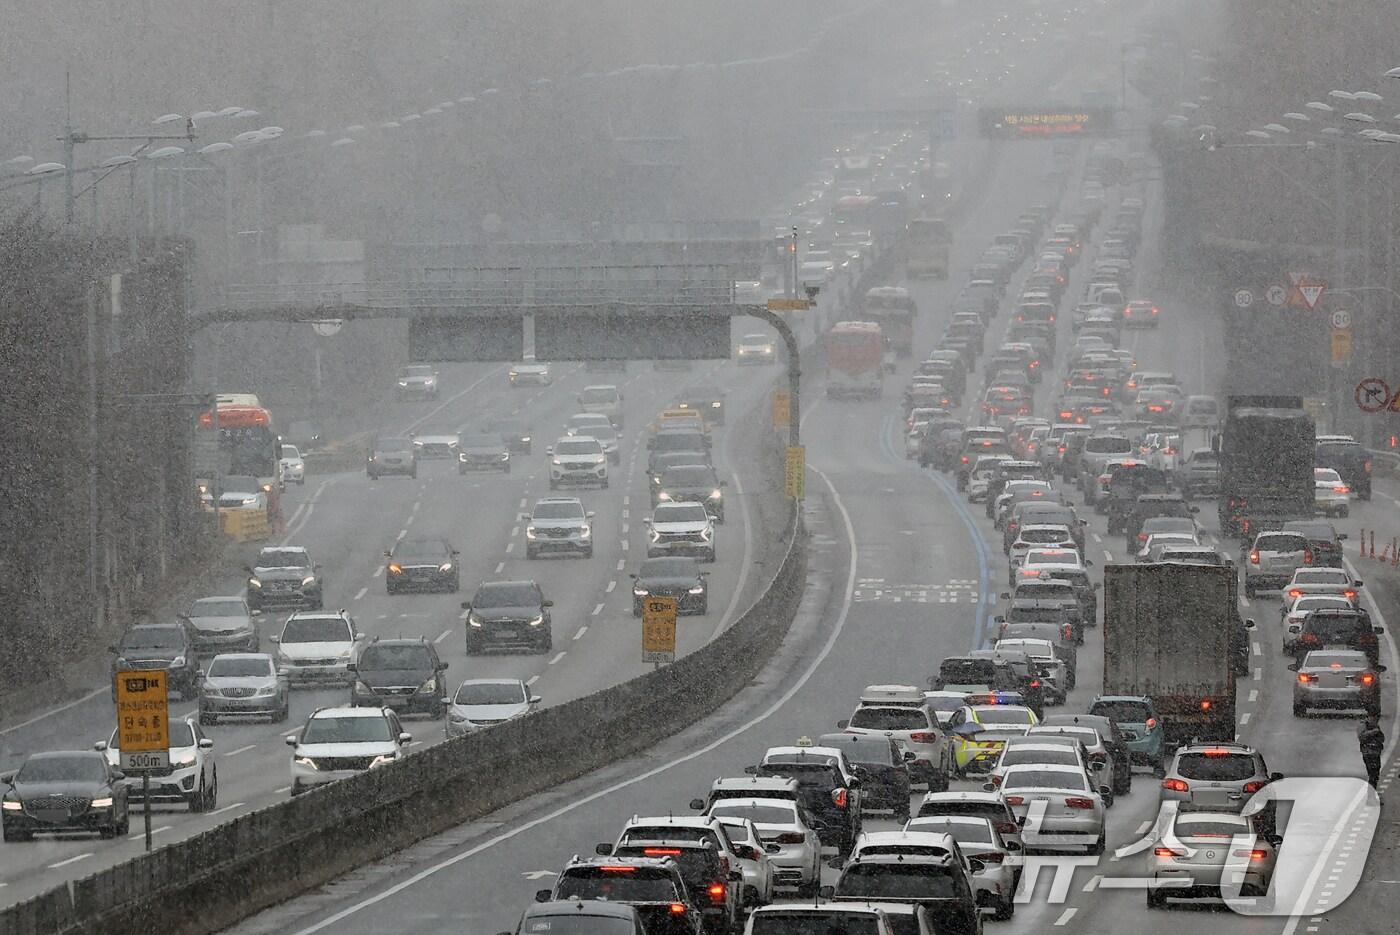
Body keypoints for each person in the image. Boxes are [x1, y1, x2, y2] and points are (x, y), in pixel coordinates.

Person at [1358, 715, 1385, 789]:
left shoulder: (1376, 727)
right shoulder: (1363, 725)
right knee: (1372, 773)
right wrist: (1372, 732)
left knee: (1376, 773)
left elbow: (1382, 739)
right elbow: (1361, 737)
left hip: (1376, 753)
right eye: (1373, 717)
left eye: (1376, 718)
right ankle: (1371, 790)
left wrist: (1377, 734)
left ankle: (1372, 789)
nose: (1375, 720)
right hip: (1368, 753)